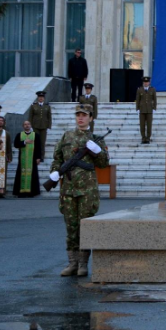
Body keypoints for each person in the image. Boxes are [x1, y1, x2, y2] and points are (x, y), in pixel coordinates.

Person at [49, 104, 108, 277]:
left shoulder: (96, 139)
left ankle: (83, 264)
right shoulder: (66, 136)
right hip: (68, 189)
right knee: (71, 227)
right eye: (78, 115)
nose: (80, 118)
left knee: (85, 226)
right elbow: (57, 158)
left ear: (91, 117)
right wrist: (54, 172)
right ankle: (72, 263)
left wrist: (98, 152)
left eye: (84, 115)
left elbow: (103, 163)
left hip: (87, 190)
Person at [12, 120, 42, 198]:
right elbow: (16, 144)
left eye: (28, 124)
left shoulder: (35, 135)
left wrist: (39, 157)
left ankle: (32, 192)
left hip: (32, 158)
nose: (27, 125)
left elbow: (39, 147)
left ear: (30, 125)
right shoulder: (19, 135)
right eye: (25, 124)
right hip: (23, 159)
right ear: (23, 126)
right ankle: (21, 192)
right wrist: (24, 142)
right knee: (21, 173)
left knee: (32, 174)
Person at [28, 91, 52, 159]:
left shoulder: (47, 106)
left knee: (42, 142)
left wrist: (49, 126)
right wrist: (30, 126)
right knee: (35, 142)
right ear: (37, 98)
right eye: (39, 97)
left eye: (42, 97)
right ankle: (35, 156)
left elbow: (49, 117)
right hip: (35, 126)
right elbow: (30, 116)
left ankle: (41, 156)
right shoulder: (33, 106)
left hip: (44, 126)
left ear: (44, 98)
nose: (41, 98)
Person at [136, 76, 157, 144]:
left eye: (147, 82)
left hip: (149, 110)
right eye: (145, 82)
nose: (146, 83)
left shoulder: (152, 89)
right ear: (143, 83)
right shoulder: (140, 89)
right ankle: (143, 137)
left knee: (149, 125)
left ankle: (148, 138)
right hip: (142, 110)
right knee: (142, 125)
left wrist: (154, 108)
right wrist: (137, 108)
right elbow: (138, 100)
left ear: (149, 82)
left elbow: (155, 99)